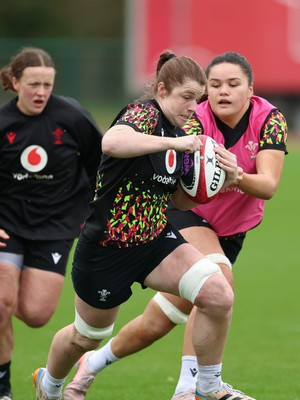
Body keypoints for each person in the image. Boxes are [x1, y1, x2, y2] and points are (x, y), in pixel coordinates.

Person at [61, 51, 288, 400]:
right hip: (188, 218)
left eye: (233, 84)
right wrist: (188, 155)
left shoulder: (270, 119)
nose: (222, 92)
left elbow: (268, 186)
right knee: (218, 278)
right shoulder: (191, 118)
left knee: (159, 322)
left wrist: (234, 174)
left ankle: (92, 363)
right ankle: (193, 390)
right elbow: (178, 177)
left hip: (230, 230)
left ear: (251, 89)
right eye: (214, 85)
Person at [0, 47, 103, 400]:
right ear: (15, 83)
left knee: (35, 314)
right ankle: (2, 388)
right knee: (0, 302)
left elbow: (101, 163)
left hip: (57, 227)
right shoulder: (2, 123)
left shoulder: (71, 116)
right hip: (7, 225)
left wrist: (92, 211)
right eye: (33, 84)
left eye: (47, 84)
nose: (41, 92)